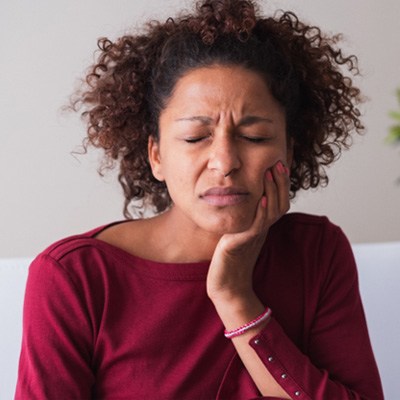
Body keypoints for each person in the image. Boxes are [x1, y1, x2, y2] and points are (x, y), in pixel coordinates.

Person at [16, 0, 384, 399]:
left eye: (255, 137)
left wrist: (235, 296)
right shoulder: (75, 278)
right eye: (195, 137)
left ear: (289, 153)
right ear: (156, 155)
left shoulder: (316, 252)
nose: (224, 163)